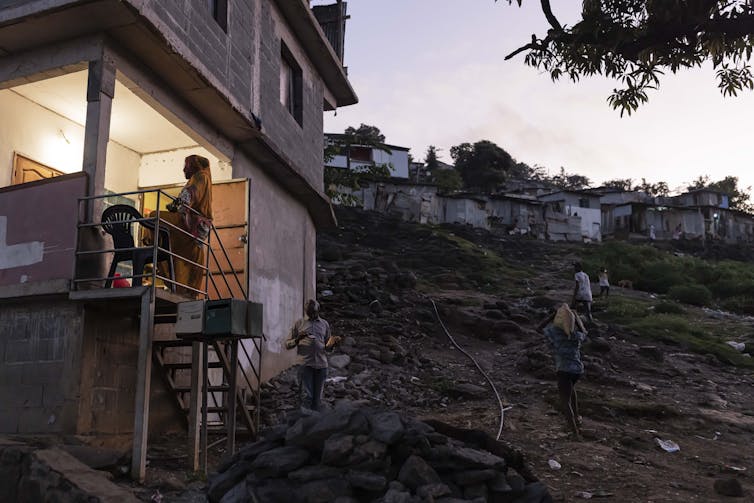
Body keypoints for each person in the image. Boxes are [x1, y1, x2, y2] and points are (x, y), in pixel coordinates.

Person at [145, 155, 213, 296]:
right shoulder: (204, 178)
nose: (183, 169)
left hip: (188, 223)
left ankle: (152, 243)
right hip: (195, 227)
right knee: (179, 257)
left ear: (194, 166)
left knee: (153, 216)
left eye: (186, 165)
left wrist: (179, 205)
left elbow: (190, 195)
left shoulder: (200, 176)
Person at [537, 303, 588, 439]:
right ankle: (577, 418)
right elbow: (584, 331)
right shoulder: (576, 335)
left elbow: (539, 328)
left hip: (563, 370)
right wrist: (576, 317)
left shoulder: (554, 332)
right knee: (571, 392)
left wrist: (552, 316)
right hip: (577, 370)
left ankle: (574, 433)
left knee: (565, 401)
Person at [285, 300, 340, 412]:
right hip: (305, 365)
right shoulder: (299, 324)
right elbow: (287, 344)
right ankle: (304, 424)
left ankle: (315, 425)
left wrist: (332, 344)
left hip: (321, 365)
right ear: (306, 311)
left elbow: (327, 347)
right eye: (309, 312)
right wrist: (297, 339)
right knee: (306, 398)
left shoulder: (324, 324)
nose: (311, 315)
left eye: (313, 312)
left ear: (318, 311)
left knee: (318, 400)